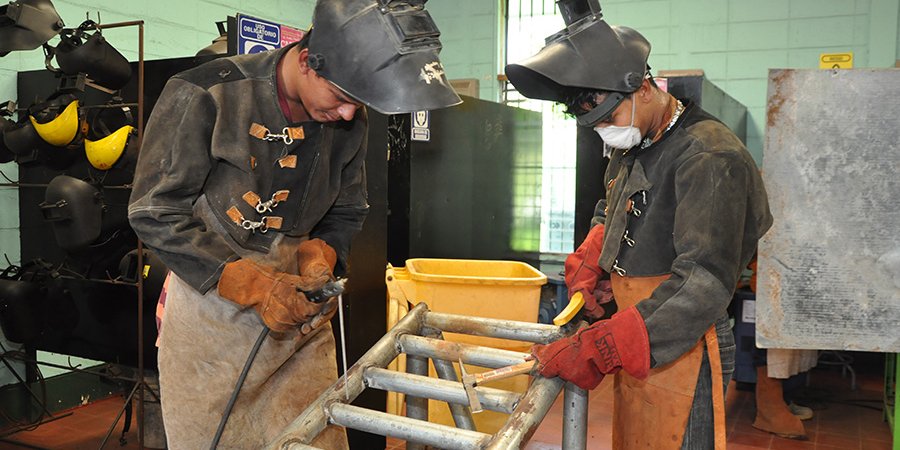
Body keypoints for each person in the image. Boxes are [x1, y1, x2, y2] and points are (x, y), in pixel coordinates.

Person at [127, 1, 460, 448]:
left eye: (357, 104)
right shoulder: (207, 94)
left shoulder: (347, 119)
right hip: (213, 321)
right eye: (342, 98)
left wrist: (319, 256)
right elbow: (153, 210)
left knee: (312, 438)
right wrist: (253, 284)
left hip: (300, 326)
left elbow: (347, 209)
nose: (347, 114)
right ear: (307, 61)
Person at [505, 2, 772, 449]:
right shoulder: (638, 140)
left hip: (683, 342)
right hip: (639, 331)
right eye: (594, 125)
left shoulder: (707, 156)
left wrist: (607, 345)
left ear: (644, 87)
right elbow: (611, 208)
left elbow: (703, 282)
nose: (606, 133)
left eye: (608, 118)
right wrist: (597, 257)